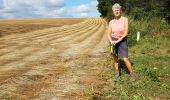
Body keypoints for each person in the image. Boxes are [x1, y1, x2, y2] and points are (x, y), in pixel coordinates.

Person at [107, 3, 136, 81]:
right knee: (115, 58)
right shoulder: (111, 22)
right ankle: (117, 72)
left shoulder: (124, 19)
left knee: (125, 58)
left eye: (118, 10)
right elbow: (108, 34)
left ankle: (132, 74)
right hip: (113, 41)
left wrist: (117, 41)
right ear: (113, 12)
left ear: (120, 11)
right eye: (115, 10)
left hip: (122, 40)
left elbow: (125, 33)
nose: (117, 11)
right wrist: (111, 41)